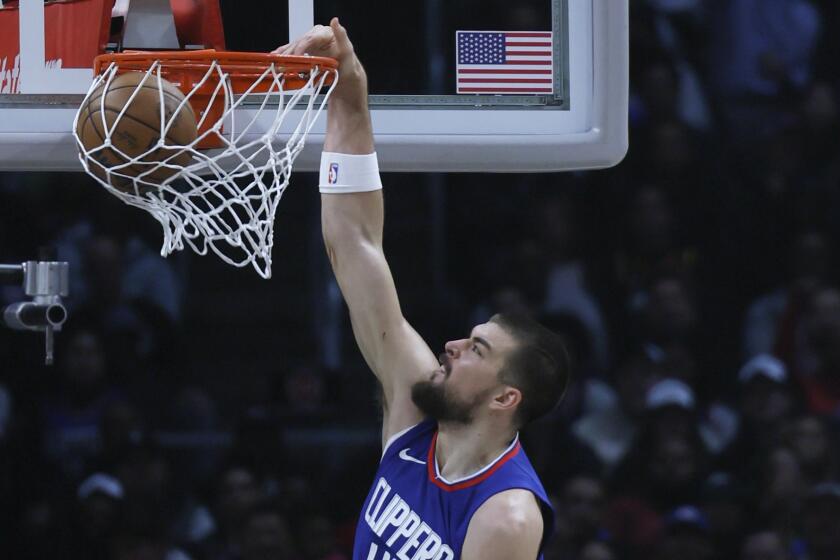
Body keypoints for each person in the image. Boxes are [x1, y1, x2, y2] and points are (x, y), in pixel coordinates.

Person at [274, 19, 570, 559]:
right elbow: (355, 244)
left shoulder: (506, 515)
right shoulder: (417, 412)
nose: (452, 345)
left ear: (507, 398)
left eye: (477, 349)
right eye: (469, 336)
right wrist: (350, 94)